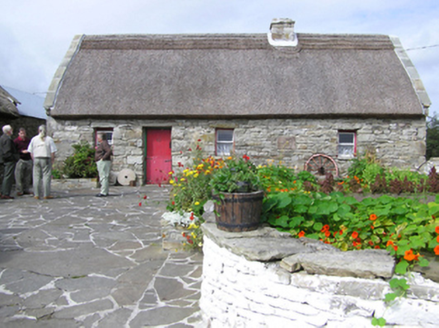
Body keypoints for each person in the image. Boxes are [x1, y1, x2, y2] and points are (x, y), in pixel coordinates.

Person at [28, 125, 57, 200]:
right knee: (46, 176)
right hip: (46, 158)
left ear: (38, 131)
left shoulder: (34, 139)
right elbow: (52, 151)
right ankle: (46, 194)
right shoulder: (49, 139)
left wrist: (34, 159)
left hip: (36, 158)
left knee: (36, 176)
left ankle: (36, 194)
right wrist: (52, 161)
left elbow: (30, 151)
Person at [0, 125, 19, 199]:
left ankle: (3, 192)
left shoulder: (2, 138)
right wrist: (14, 157)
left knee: (5, 176)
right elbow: (7, 152)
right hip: (8, 160)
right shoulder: (7, 139)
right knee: (8, 176)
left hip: (4, 159)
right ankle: (5, 193)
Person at [14, 128, 32, 196]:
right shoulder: (16, 141)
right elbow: (14, 151)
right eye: (21, 133)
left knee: (27, 176)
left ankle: (26, 189)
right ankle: (19, 190)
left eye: (24, 133)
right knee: (19, 176)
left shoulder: (28, 140)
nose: (23, 135)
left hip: (28, 159)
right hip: (20, 159)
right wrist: (21, 152)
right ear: (19, 134)